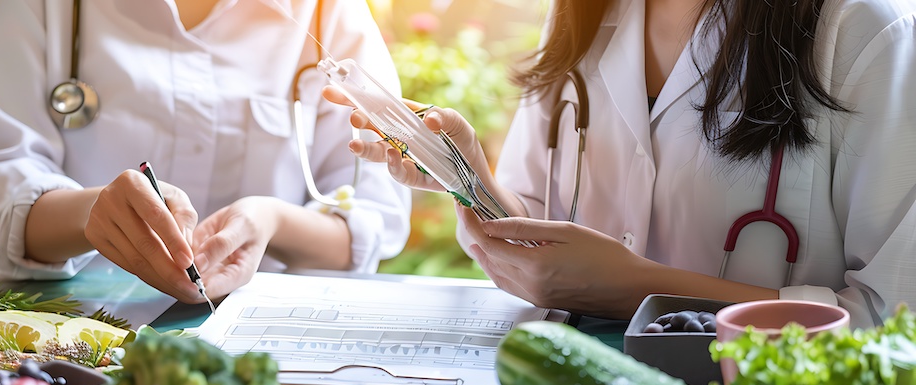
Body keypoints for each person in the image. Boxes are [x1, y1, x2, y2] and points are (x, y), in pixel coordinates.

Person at [326, 0, 916, 328]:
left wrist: (637, 289)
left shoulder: (863, 32)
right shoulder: (580, 15)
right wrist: (466, 175)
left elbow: (892, 321)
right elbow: (537, 242)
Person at [0, 0, 410, 305]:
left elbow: (374, 216)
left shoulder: (328, 14)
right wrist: (91, 213)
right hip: (79, 335)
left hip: (264, 340)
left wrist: (273, 221)